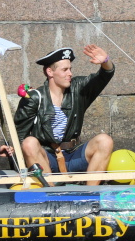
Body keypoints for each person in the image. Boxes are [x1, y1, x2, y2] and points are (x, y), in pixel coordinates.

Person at [14, 45, 115, 185]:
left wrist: (105, 61)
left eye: (70, 69)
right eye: (64, 70)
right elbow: (19, 136)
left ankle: (90, 193)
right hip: (48, 158)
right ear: (50, 72)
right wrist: (21, 167)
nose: (70, 73)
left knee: (105, 140)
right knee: (29, 143)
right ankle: (50, 193)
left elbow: (104, 75)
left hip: (74, 155)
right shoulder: (34, 98)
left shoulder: (78, 89)